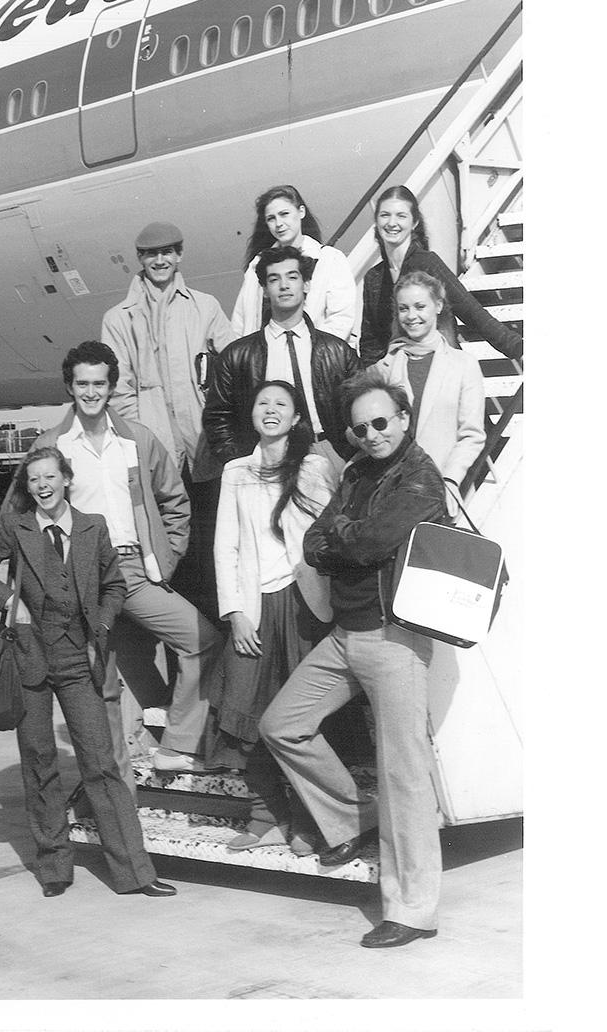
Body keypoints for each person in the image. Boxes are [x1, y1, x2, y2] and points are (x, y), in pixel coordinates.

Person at [260, 371, 451, 950]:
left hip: (395, 640)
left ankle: (413, 909)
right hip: (347, 634)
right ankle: (350, 818)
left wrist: (344, 540)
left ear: (403, 418)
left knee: (404, 776)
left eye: (381, 422)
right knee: (282, 724)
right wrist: (346, 538)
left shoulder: (419, 480)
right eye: (361, 426)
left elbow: (367, 543)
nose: (371, 434)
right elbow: (316, 540)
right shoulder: (358, 472)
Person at [0, 447, 178, 899]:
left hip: (80, 660)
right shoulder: (15, 529)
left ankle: (135, 872)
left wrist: (100, 623)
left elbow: (114, 584)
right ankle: (54, 866)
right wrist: (8, 604)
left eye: (49, 477)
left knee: (101, 763)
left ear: (66, 479)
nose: (42, 486)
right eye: (33, 479)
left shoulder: (92, 526)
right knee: (39, 763)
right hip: (30, 661)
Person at [45, 340, 224, 776]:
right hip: (82, 576)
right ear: (70, 387)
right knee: (117, 666)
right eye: (82, 383)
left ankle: (177, 743)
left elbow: (174, 499)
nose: (91, 392)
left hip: (133, 571)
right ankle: (140, 740)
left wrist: (168, 555)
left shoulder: (137, 440)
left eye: (99, 383)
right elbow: (20, 515)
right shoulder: (52, 446)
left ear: (112, 386)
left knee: (202, 639)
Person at [204, 381, 335, 852]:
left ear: (297, 417)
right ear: (251, 415)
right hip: (256, 609)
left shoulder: (315, 467)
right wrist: (235, 612)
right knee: (247, 715)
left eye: (282, 404)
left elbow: (327, 538)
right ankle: (267, 818)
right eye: (263, 403)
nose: (271, 410)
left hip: (304, 606)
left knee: (299, 720)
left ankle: (305, 821)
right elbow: (226, 545)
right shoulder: (235, 471)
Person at [100, 219, 235, 614]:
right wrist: (143, 446)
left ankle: (214, 642)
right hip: (156, 460)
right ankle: (183, 653)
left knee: (211, 551)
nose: (160, 260)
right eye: (151, 254)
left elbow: (230, 372)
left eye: (167, 252)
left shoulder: (205, 307)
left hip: (203, 453)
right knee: (168, 556)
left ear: (179, 255)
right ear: (139, 260)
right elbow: (118, 390)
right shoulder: (119, 318)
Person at [203, 244, 361, 478]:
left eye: (292, 277)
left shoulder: (337, 351)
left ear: (306, 284)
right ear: (265, 290)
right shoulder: (237, 356)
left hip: (329, 452)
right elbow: (217, 418)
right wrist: (243, 462)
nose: (284, 285)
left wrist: (348, 455)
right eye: (274, 279)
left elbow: (359, 407)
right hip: (269, 457)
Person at [357, 185, 523, 365]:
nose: (391, 223)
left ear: (414, 223)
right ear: (376, 221)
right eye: (385, 215)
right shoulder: (373, 277)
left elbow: (471, 312)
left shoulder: (427, 263)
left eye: (401, 215)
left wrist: (518, 349)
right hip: (397, 376)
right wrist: (370, 384)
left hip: (440, 369)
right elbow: (370, 342)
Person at [366, 270, 488, 487]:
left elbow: (472, 435)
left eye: (420, 306)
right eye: (404, 309)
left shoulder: (464, 365)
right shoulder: (382, 369)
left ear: (438, 306)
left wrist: (450, 480)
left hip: (441, 485)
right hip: (390, 488)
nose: (411, 316)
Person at [229, 184, 360, 347]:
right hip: (265, 362)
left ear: (301, 212)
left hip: (317, 359)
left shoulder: (330, 259)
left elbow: (341, 319)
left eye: (284, 214)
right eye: (271, 218)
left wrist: (309, 354)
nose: (279, 224)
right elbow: (240, 322)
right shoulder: (257, 265)